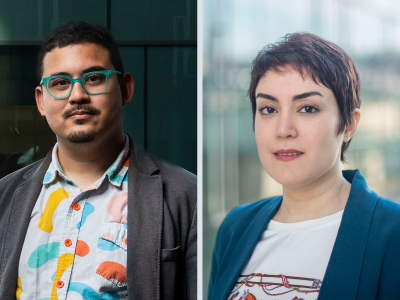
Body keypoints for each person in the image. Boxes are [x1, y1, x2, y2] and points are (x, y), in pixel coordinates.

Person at [0, 21, 196, 300]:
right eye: (60, 83)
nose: (77, 95)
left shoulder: (186, 197)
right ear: (41, 101)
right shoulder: (4, 197)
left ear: (125, 88)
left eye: (93, 78)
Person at [208, 33, 400, 300]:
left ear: (348, 125)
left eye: (307, 108)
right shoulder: (236, 227)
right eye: (268, 109)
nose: (283, 129)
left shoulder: (392, 233)